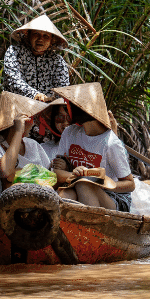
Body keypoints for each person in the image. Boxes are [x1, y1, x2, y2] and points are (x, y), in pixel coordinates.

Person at [51, 83, 135, 212]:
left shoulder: (111, 143)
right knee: (66, 193)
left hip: (113, 198)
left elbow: (130, 184)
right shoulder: (69, 133)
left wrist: (100, 182)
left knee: (84, 184)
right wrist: (76, 174)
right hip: (77, 186)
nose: (67, 110)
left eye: (69, 106)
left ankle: (93, 225)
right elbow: (57, 172)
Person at [0, 92, 50, 211]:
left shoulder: (33, 145)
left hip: (36, 209)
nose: (33, 123)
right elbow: (5, 171)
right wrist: (18, 131)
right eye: (30, 118)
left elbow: (49, 176)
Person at [4, 14, 69, 102]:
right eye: (36, 34)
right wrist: (35, 95)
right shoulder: (15, 52)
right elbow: (13, 80)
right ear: (28, 35)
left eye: (46, 36)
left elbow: (63, 90)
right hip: (17, 106)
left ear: (51, 40)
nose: (40, 39)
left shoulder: (57, 61)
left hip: (47, 109)